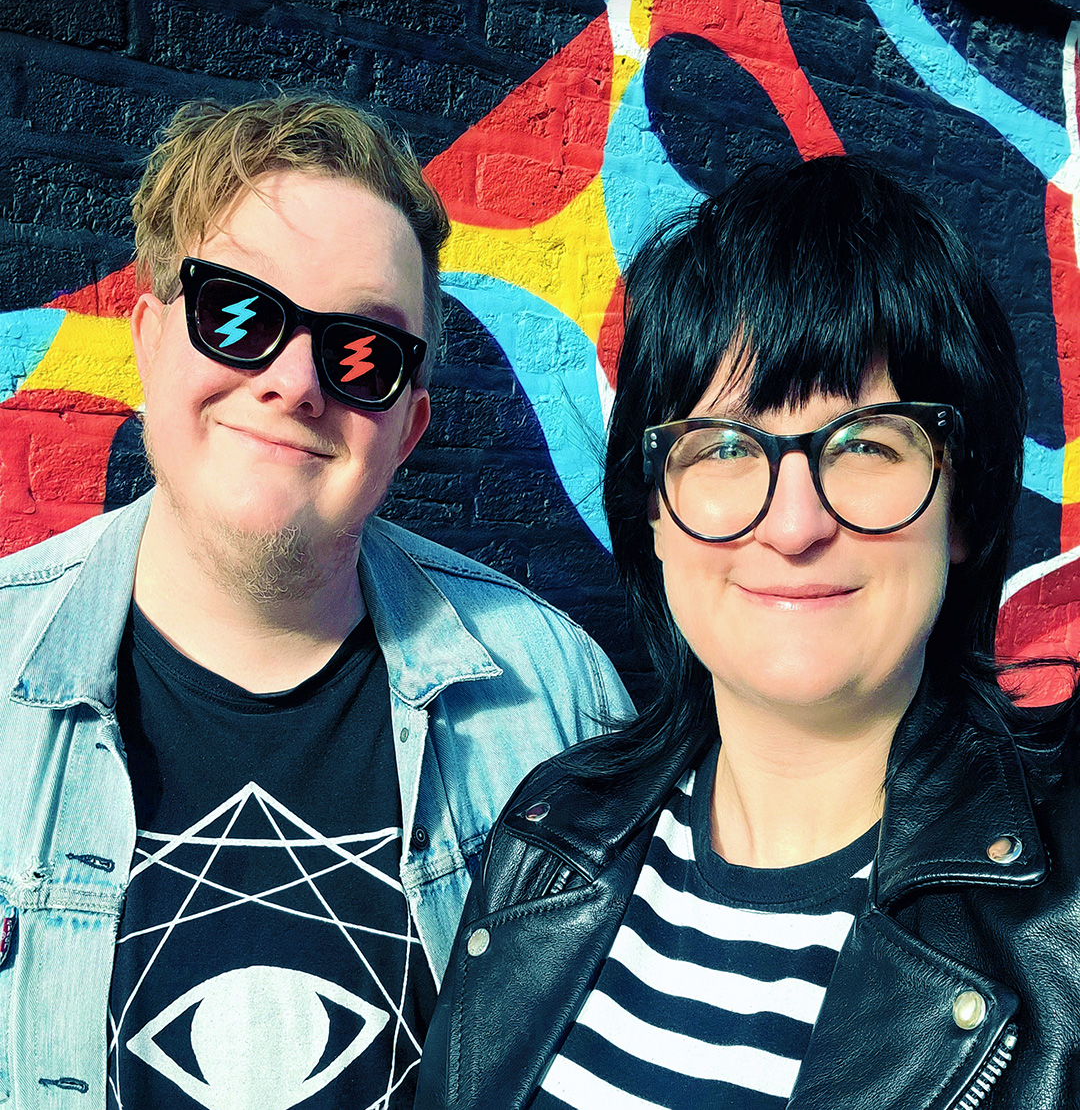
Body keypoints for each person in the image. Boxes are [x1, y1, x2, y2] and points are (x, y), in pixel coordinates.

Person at [0, 94, 630, 1109]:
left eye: (363, 352)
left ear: (408, 428)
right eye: (237, 314)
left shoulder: (555, 703)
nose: (296, 382)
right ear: (149, 342)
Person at [415, 155, 1080, 1110]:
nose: (795, 524)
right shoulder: (552, 835)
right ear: (654, 510)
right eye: (725, 446)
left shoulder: (1062, 920)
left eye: (868, 443)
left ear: (962, 507)